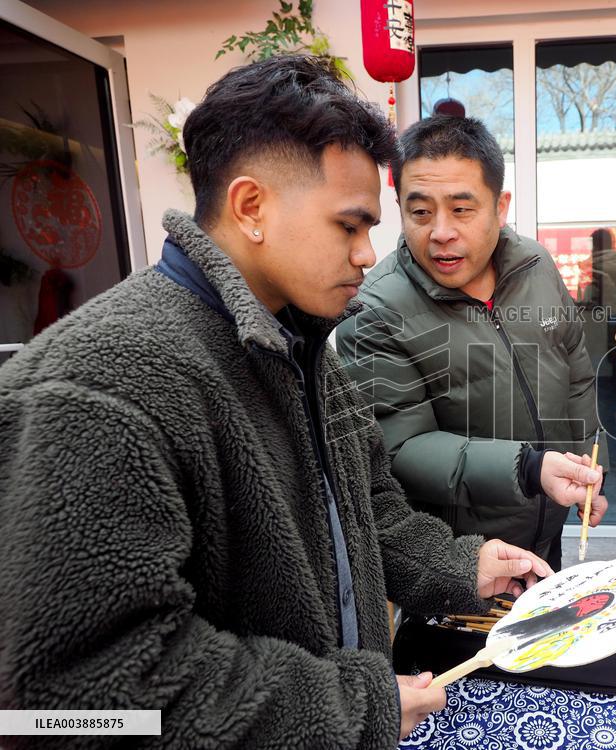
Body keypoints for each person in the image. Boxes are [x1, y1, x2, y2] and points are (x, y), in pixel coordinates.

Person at [0, 56, 554, 748]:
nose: (367, 254)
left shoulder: (308, 348)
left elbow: (365, 508)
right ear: (251, 207)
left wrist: (457, 565)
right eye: (348, 226)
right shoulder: (104, 386)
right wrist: (350, 708)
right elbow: (76, 701)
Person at [337, 115, 607, 572]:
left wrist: (585, 471)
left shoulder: (535, 265)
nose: (441, 231)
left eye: (462, 209)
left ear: (500, 207)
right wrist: (528, 469)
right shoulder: (375, 310)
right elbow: (401, 449)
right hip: (462, 561)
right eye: (420, 212)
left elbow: (576, 371)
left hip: (547, 528)